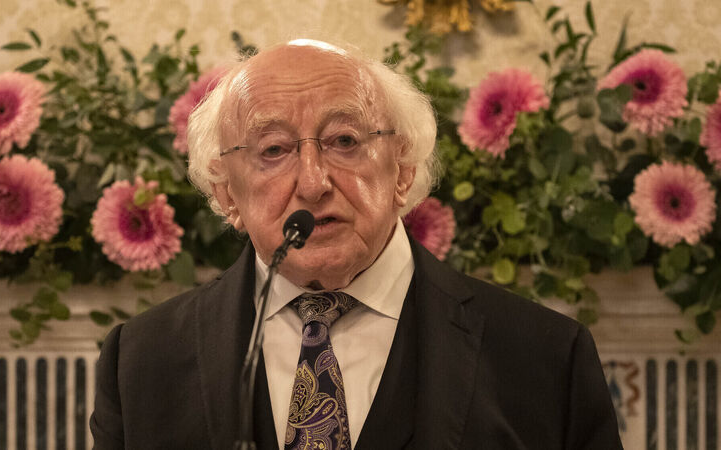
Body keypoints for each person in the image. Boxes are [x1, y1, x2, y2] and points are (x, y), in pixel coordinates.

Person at [90, 39, 623, 449]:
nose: (313, 182)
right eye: (273, 149)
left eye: (344, 141)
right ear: (227, 193)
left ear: (403, 168)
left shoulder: (547, 358)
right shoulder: (142, 361)